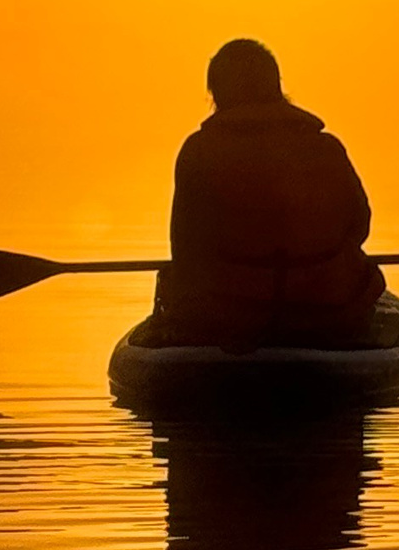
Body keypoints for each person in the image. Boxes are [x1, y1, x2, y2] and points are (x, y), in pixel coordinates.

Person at [150, 39, 384, 349]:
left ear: (217, 94)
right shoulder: (326, 148)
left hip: (229, 318)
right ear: (276, 88)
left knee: (171, 281)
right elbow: (359, 225)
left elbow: (185, 248)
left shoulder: (198, 153)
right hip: (327, 309)